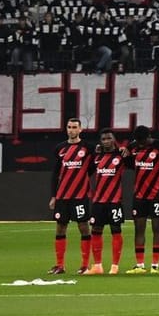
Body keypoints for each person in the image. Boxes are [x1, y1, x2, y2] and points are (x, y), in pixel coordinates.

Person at [49, 115, 93, 276]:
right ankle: (60, 265)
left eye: (75, 127)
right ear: (66, 129)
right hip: (62, 196)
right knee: (61, 227)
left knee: (83, 226)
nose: (72, 130)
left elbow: (93, 167)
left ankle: (84, 265)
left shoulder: (88, 148)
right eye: (69, 127)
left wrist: (83, 179)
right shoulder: (60, 148)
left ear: (80, 129)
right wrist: (54, 195)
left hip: (80, 195)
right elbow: (55, 173)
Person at [126, 126, 159, 273]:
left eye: (143, 141)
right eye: (138, 141)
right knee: (139, 229)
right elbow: (129, 164)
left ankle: (155, 265)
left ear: (149, 137)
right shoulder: (133, 148)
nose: (141, 144)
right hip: (139, 196)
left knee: (157, 228)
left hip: (157, 196)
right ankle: (140, 265)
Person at [87, 130, 128, 275]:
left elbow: (136, 165)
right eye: (103, 139)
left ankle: (115, 266)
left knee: (115, 230)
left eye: (109, 138)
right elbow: (87, 172)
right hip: (98, 201)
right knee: (96, 231)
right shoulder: (96, 156)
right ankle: (98, 266)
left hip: (115, 200)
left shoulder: (121, 156)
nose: (106, 141)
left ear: (114, 140)